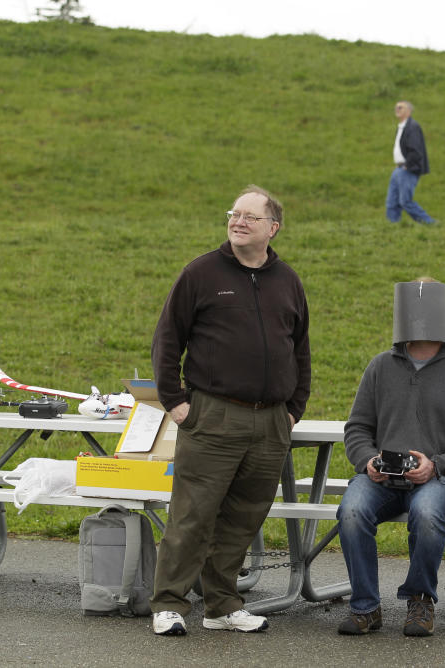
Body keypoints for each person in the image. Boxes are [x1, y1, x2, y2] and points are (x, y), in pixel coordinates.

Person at [149, 184, 311, 636]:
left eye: (249, 217)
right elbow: (167, 340)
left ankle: (221, 606)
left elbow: (300, 350)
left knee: (244, 518)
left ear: (272, 228)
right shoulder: (200, 273)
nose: (237, 222)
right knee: (192, 515)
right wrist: (176, 403)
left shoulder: (288, 281)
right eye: (233, 214)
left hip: (271, 421)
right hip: (213, 415)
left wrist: (293, 409)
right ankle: (168, 604)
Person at [337, 279, 445, 637]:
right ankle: (365, 606)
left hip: (441, 478)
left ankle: (420, 599)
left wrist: (436, 465)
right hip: (381, 479)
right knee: (352, 510)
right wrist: (367, 461)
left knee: (426, 512)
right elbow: (357, 427)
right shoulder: (380, 367)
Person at [386, 101, 436, 225]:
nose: (397, 109)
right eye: (396, 107)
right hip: (398, 169)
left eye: (400, 107)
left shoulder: (412, 127)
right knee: (392, 202)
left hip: (407, 169)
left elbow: (416, 149)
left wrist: (408, 165)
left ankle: (429, 223)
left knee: (405, 201)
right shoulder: (402, 127)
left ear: (408, 111)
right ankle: (392, 227)